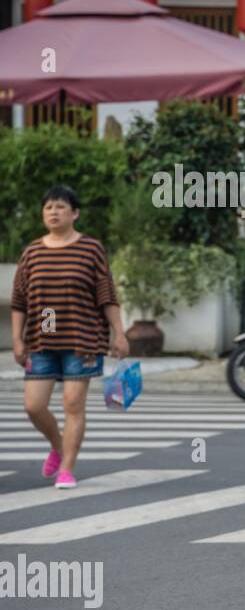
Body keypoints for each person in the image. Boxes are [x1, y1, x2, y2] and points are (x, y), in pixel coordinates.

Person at [10, 186, 130, 489]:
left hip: (83, 339)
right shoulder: (32, 252)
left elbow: (106, 294)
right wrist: (17, 339)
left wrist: (119, 333)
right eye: (48, 207)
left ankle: (67, 468)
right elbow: (19, 300)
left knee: (73, 404)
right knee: (33, 406)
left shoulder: (91, 249)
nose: (53, 212)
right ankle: (57, 443)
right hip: (41, 340)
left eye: (60, 207)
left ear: (74, 213)